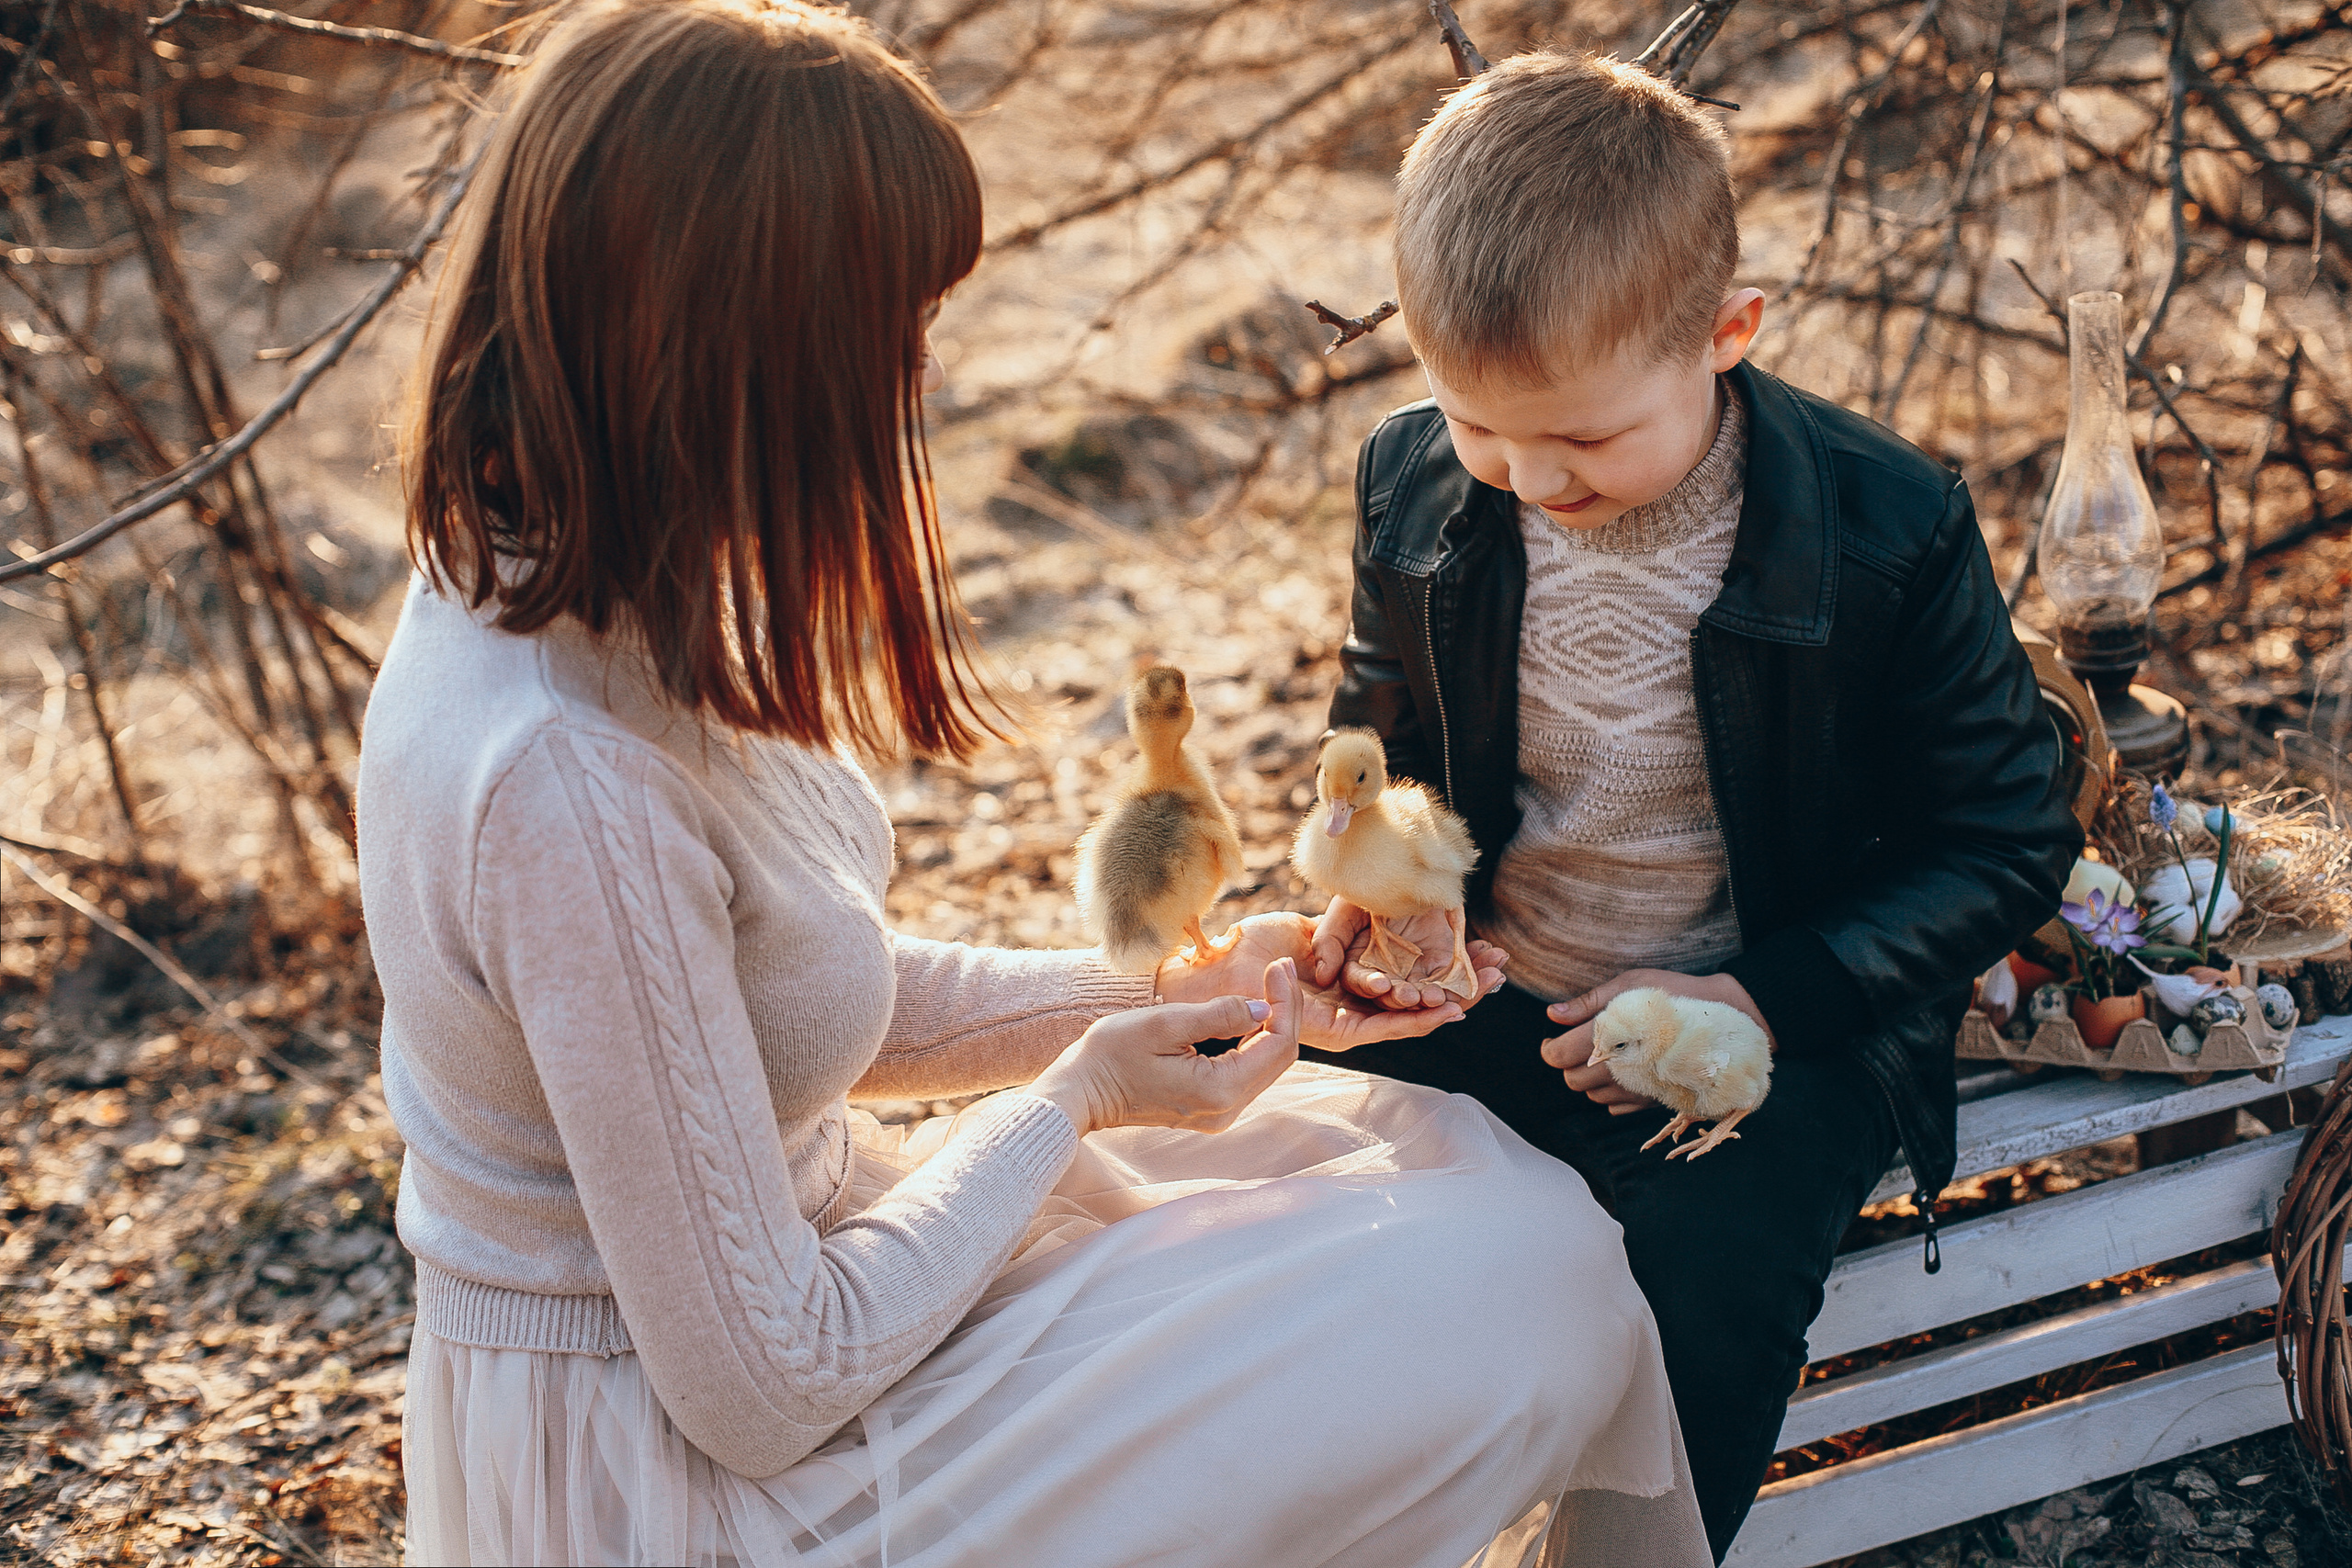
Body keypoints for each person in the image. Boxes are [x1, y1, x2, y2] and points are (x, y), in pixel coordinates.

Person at [359, 5, 1713, 1564]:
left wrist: (1181, 979)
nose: (923, 369)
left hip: (807, 1293)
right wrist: (1080, 1099)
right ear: (740, 340)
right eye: (895, 323)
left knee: (1481, 1206)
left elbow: (771, 1007)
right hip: (693, 1474)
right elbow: (765, 1380)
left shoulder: (601, 575)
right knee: (1500, 1290)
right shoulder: (562, 776)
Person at [1300, 49, 2083, 1562]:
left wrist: (1764, 995)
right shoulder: (1410, 481)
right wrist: (1385, 885)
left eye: (1585, 441)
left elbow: (2003, 837)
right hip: (1505, 986)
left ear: (1728, 334)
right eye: (1482, 429)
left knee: (1694, 1272)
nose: (1529, 480)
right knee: (1310, 1205)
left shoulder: (1886, 525)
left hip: (1784, 1020)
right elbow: (1379, 724)